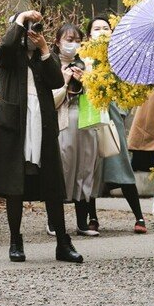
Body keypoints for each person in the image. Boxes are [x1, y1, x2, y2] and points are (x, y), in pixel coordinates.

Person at [0, 10, 83, 264]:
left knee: (52, 183)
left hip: (42, 123)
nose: (32, 34)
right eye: (27, 30)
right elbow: (7, 46)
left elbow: (55, 82)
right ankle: (15, 241)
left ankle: (63, 242)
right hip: (15, 126)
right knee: (14, 185)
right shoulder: (9, 55)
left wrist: (43, 50)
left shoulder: (43, 56)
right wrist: (20, 18)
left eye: (36, 29)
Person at [87, 17, 149, 234]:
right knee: (91, 169)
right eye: (96, 29)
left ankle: (139, 216)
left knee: (121, 165)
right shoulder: (84, 59)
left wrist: (120, 111)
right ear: (89, 35)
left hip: (113, 119)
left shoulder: (120, 59)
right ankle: (92, 217)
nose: (102, 32)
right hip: (90, 120)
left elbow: (128, 93)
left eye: (106, 28)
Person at [52, 23, 100, 235]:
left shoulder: (86, 64)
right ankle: (54, 222)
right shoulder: (50, 65)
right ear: (57, 42)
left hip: (86, 122)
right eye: (68, 40)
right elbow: (49, 102)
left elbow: (99, 99)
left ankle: (82, 222)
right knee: (62, 169)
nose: (73, 45)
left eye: (77, 41)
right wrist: (64, 82)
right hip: (62, 123)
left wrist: (87, 81)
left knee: (85, 169)